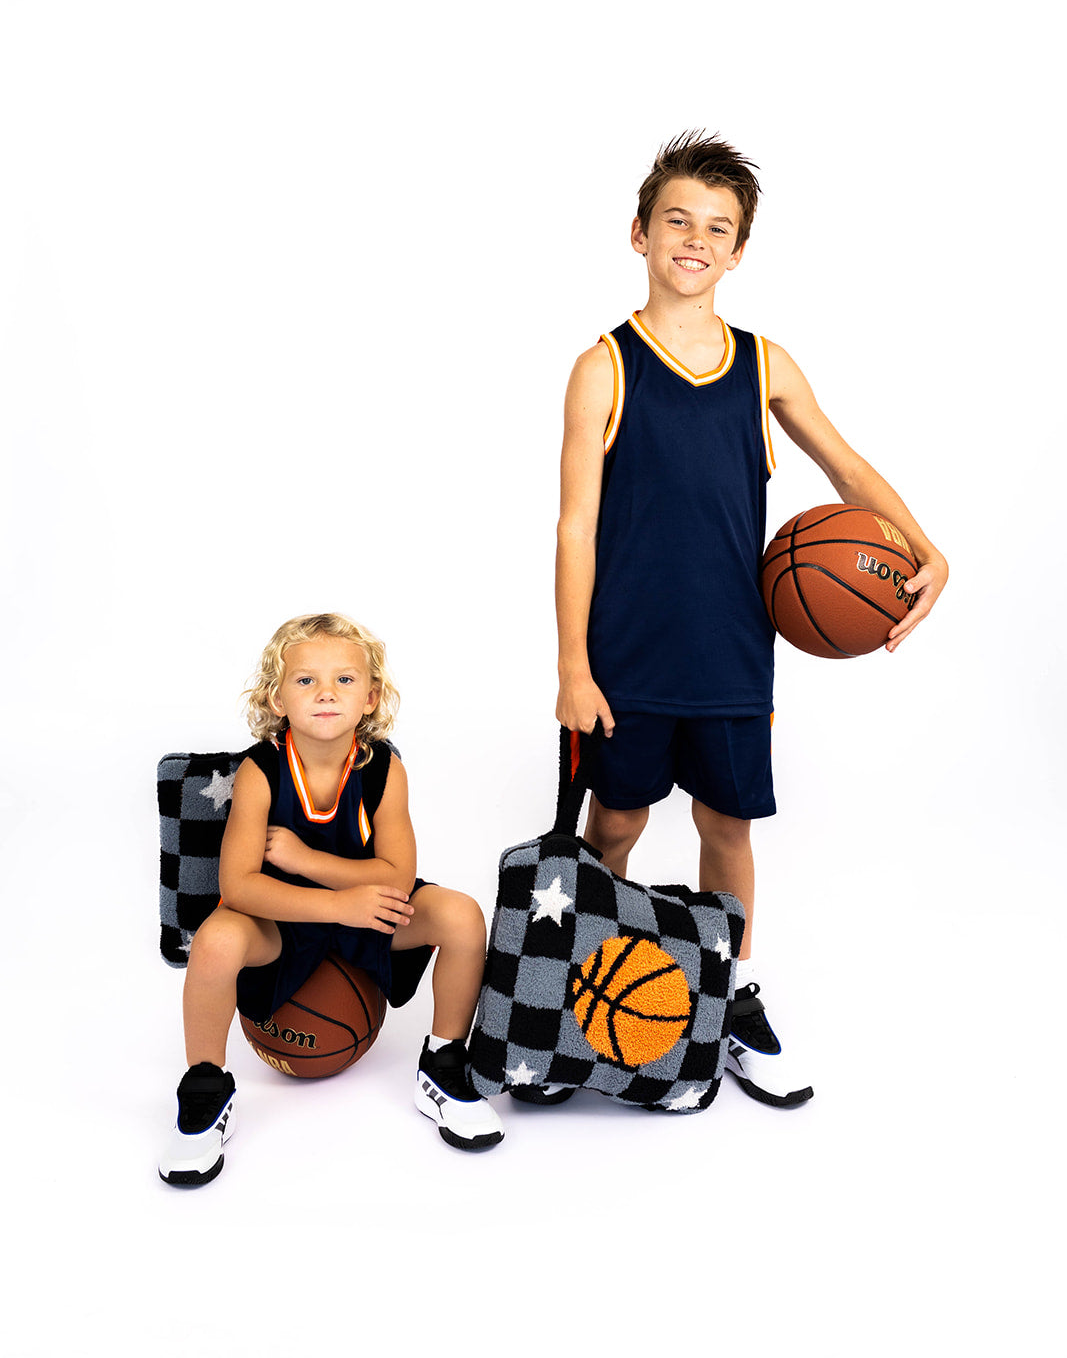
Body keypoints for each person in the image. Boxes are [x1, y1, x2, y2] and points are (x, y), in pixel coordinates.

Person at [551, 133, 948, 1108]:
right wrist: (572, 664)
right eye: (676, 220)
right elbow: (573, 526)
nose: (694, 239)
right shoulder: (603, 365)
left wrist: (924, 547)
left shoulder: (764, 363)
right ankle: (572, 991)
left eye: (716, 228)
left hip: (732, 650)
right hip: (626, 655)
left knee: (725, 826)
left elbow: (846, 471)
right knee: (614, 824)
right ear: (638, 233)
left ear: (737, 253)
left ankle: (722, 994)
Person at [159, 612, 504, 1184]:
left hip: (364, 907)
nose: (325, 693)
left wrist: (304, 860)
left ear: (370, 698)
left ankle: (443, 1064)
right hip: (282, 917)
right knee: (217, 939)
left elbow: (398, 878)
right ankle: (205, 1089)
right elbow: (238, 886)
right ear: (275, 698)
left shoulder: (383, 767)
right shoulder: (259, 771)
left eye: (344, 680)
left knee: (461, 916)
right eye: (305, 681)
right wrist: (333, 902)